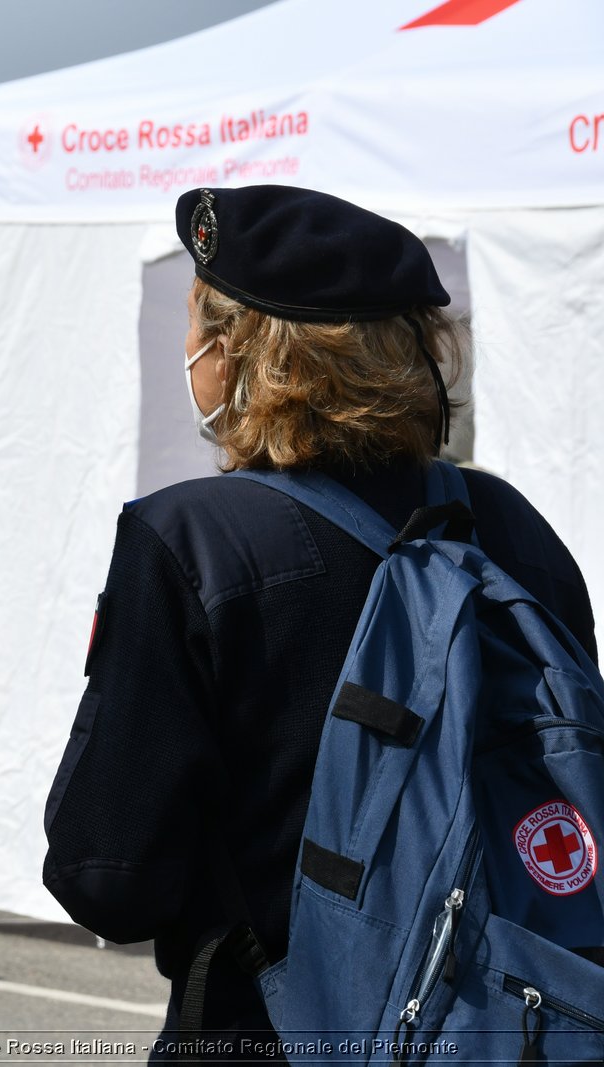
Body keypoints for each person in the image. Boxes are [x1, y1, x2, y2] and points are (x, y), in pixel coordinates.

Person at [41, 185, 596, 1061]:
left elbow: (109, 878)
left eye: (198, 325)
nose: (189, 351)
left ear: (238, 352)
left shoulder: (190, 540)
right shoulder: (513, 531)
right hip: (505, 1033)